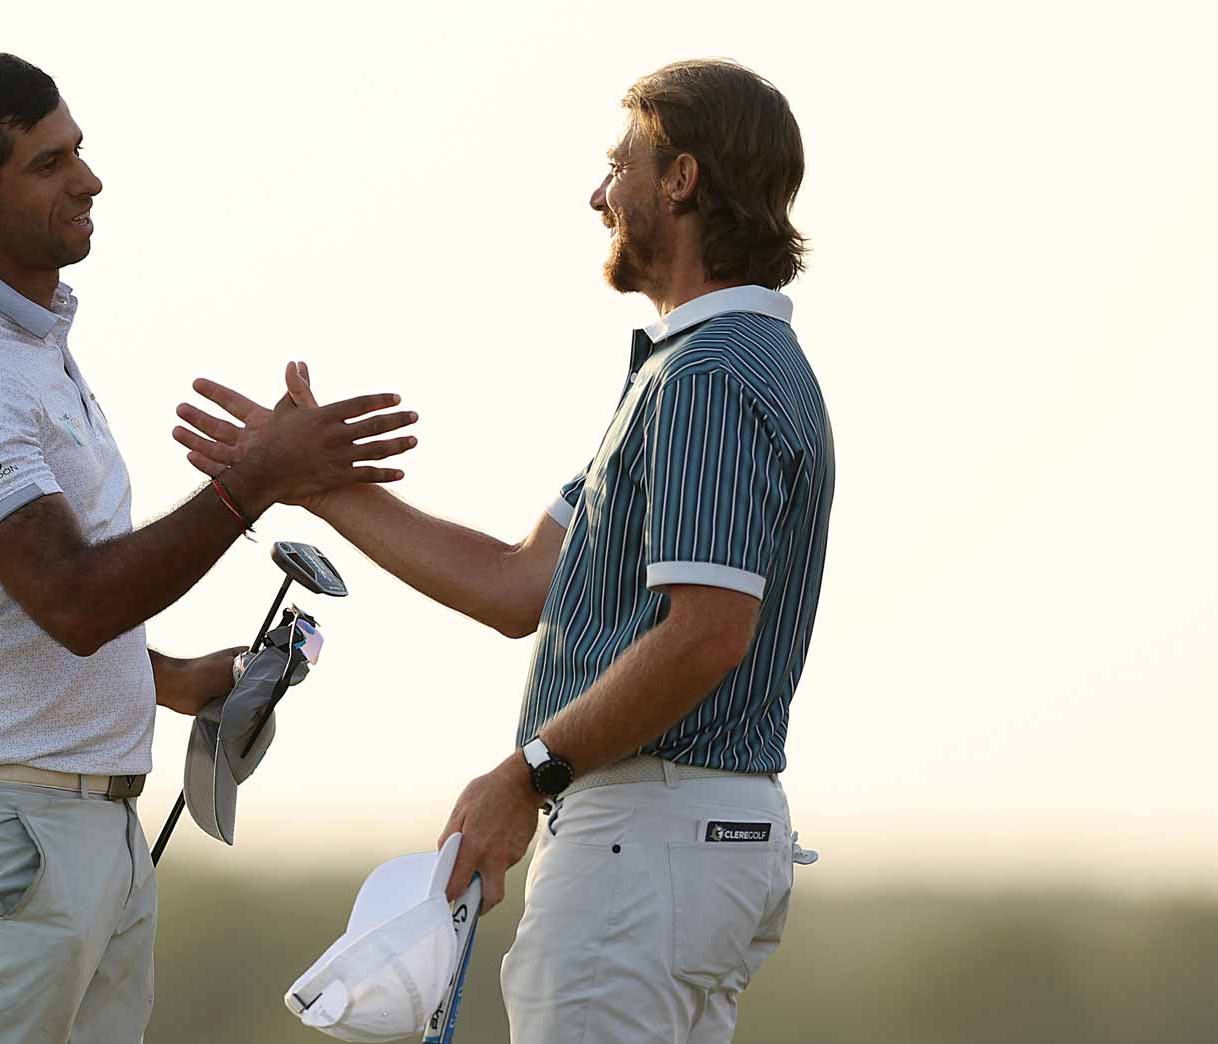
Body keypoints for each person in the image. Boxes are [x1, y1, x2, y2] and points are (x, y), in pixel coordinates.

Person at [176, 59, 831, 1044]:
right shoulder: (700, 369)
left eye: (619, 166)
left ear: (680, 180)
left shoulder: (708, 375)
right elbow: (518, 584)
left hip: (644, 840)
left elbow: (707, 634)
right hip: (683, 844)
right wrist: (312, 483)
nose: (599, 195)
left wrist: (525, 777)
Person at [0, 51, 417, 1044]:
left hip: (74, 833)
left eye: (77, 150)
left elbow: (17, 614)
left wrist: (169, 679)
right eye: (47, 164)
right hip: (3, 840)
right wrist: (254, 480)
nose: (88, 179)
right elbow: (73, 599)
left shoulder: (24, 347)